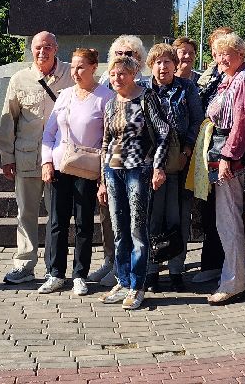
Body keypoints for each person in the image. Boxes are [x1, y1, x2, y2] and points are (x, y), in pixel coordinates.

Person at [95, 53, 172, 310]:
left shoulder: (146, 98)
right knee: (119, 230)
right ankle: (123, 279)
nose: (117, 78)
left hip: (138, 169)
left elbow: (163, 133)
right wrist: (103, 178)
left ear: (133, 75)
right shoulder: (110, 103)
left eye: (122, 74)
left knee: (138, 229)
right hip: (113, 170)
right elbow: (105, 141)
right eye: (114, 74)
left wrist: (158, 166)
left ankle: (137, 285)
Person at [0, 31, 73, 285]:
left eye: (48, 47)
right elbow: (9, 120)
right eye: (39, 47)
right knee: (26, 213)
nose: (43, 52)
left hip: (60, 159)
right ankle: (24, 263)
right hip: (27, 157)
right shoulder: (20, 79)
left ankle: (54, 267)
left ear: (56, 48)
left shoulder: (71, 75)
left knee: (57, 215)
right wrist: (6, 156)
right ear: (32, 49)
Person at [38, 48, 109, 297]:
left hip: (88, 168)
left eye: (80, 67)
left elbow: (108, 140)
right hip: (59, 165)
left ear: (93, 67)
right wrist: (46, 162)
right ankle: (55, 273)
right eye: (72, 68)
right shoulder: (65, 95)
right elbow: (49, 134)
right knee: (57, 221)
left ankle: (80, 274)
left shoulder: (105, 97)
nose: (75, 72)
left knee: (84, 222)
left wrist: (103, 177)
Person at [203, 31, 245, 305]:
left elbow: (242, 122)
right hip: (220, 153)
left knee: (229, 220)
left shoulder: (244, 80)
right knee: (223, 220)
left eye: (227, 53)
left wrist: (228, 156)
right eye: (218, 53)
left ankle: (235, 282)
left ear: (241, 55)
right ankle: (233, 277)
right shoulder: (229, 79)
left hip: (230, 158)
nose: (222, 58)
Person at [145, 43, 202, 291]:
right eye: (157, 62)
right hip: (150, 162)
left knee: (178, 215)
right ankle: (152, 269)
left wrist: (187, 150)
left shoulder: (187, 87)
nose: (163, 66)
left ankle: (177, 269)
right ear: (151, 66)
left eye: (167, 61)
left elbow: (197, 120)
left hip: (180, 162)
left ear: (174, 65)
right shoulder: (144, 90)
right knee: (152, 216)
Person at [188, 28, 231, 287]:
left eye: (222, 48)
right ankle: (212, 261)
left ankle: (217, 262)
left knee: (219, 208)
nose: (217, 52)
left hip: (221, 149)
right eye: (214, 47)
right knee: (206, 207)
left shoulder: (233, 76)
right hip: (203, 147)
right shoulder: (208, 75)